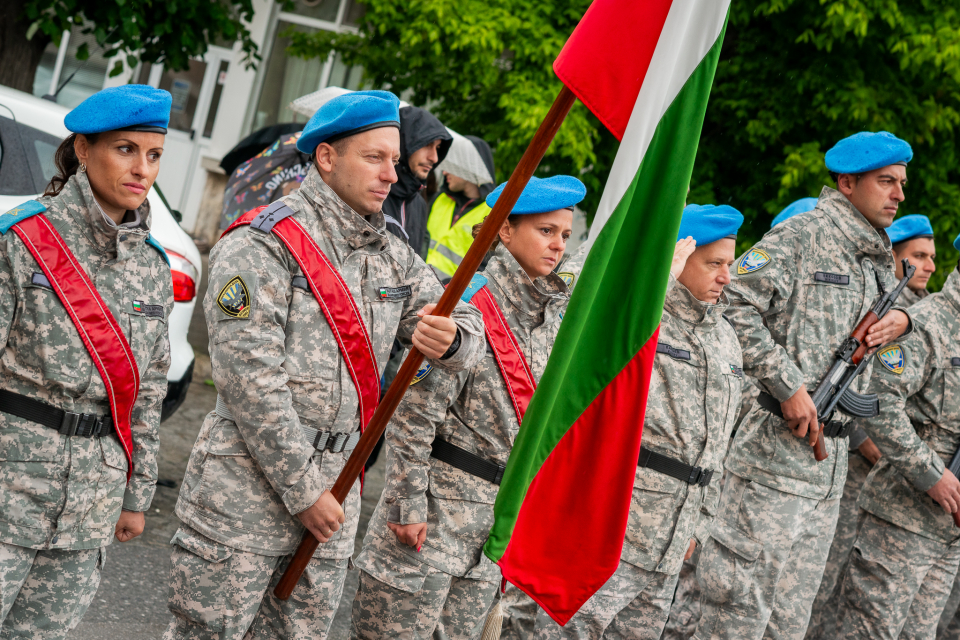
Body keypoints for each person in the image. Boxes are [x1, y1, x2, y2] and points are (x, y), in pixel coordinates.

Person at [163, 90, 484, 640]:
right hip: (245, 495)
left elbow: (468, 327)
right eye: (374, 157)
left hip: (337, 495)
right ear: (327, 158)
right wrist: (305, 492)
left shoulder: (392, 251)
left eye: (393, 158)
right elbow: (251, 385)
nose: (391, 173)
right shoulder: (262, 244)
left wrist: (451, 338)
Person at [693, 131, 914, 640]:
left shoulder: (877, 262)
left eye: (901, 183)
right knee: (735, 619)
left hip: (828, 468)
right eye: (886, 182)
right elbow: (732, 307)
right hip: (770, 462)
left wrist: (902, 318)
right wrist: (788, 382)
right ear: (847, 183)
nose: (899, 195)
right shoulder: (802, 237)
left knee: (788, 626)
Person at [349, 175, 583, 639]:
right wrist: (407, 504)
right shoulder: (467, 305)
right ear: (505, 229)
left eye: (565, 235)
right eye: (545, 231)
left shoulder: (552, 322)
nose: (557, 246)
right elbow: (412, 418)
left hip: (488, 539)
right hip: (429, 526)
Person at [0, 85, 173, 637]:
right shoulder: (21, 241)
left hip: (90, 504)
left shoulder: (151, 267)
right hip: (9, 486)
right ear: (82, 149)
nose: (141, 169)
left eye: (153, 155)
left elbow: (148, 389)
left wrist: (136, 493)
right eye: (125, 149)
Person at [529, 204, 744, 640]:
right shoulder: (641, 319)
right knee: (570, 628)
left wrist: (699, 525)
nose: (726, 277)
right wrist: (658, 279)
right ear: (677, 259)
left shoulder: (723, 335)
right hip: (618, 519)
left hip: (674, 530)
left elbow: (719, 444)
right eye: (714, 264)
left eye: (730, 265)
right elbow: (586, 322)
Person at [805, 212, 937, 640]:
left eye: (931, 256)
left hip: (860, 457)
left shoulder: (919, 316)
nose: (929, 266)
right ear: (895, 259)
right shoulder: (878, 303)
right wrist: (865, 441)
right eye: (918, 255)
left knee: (831, 581)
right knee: (822, 581)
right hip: (854, 455)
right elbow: (861, 381)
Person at [831, 234, 960, 639]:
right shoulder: (929, 322)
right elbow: (877, 400)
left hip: (950, 529)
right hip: (902, 520)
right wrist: (930, 473)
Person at [382, 106, 453, 257]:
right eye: (427, 145)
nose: (434, 157)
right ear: (404, 142)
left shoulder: (419, 204)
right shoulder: (373, 192)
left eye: (438, 147)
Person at [426, 133, 497, 280]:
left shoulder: (493, 213)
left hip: (455, 298)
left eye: (452, 165)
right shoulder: (439, 199)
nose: (445, 171)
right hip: (417, 287)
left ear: (470, 166)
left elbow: (486, 270)